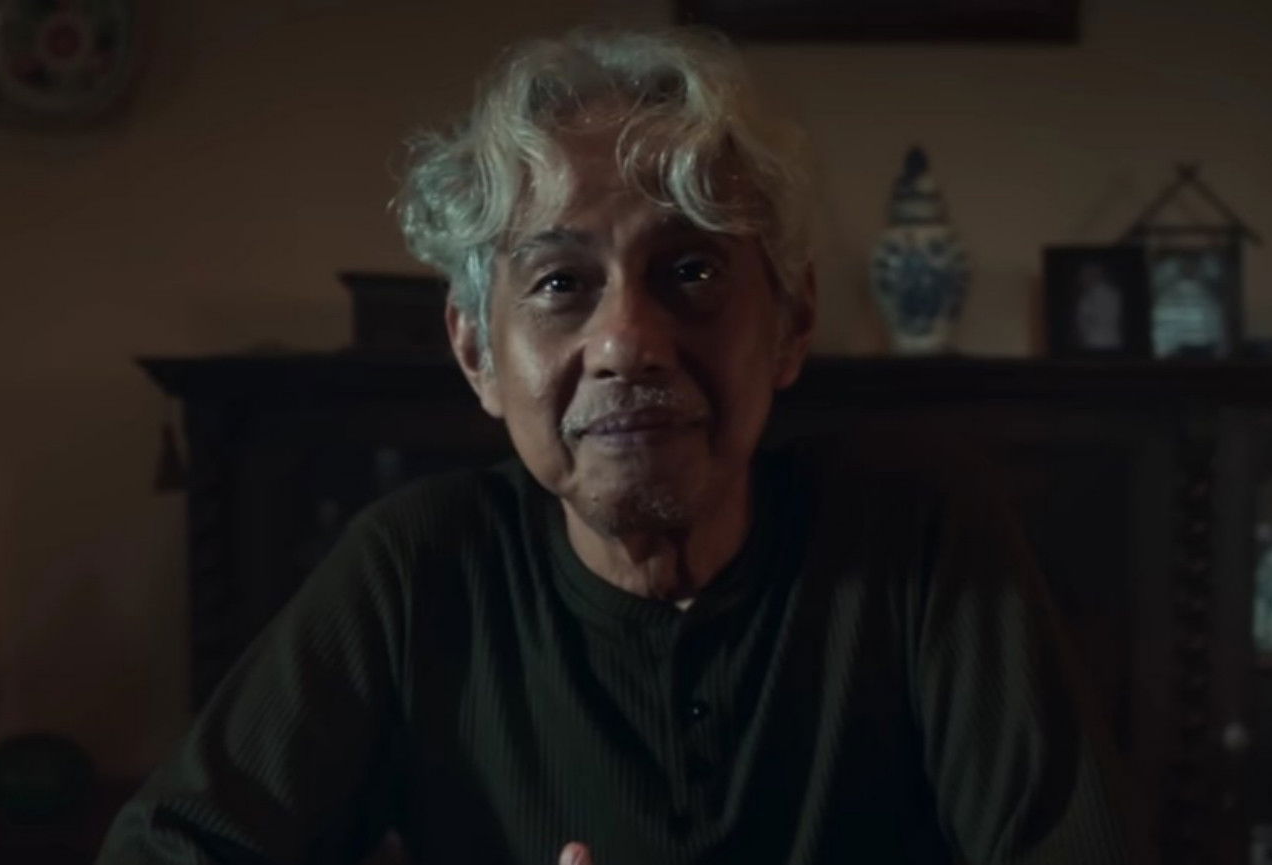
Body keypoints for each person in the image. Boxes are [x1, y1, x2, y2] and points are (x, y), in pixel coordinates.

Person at [97, 27, 1141, 865]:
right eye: (560, 283)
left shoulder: (919, 542)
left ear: (790, 321)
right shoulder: (419, 570)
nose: (626, 342)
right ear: (476, 353)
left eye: (691, 272)